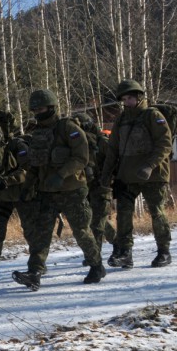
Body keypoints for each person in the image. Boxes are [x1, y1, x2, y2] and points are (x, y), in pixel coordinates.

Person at [12, 89, 106, 291]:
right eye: (35, 109)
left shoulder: (68, 128)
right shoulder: (37, 134)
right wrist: (27, 187)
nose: (38, 112)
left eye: (41, 108)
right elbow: (35, 166)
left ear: (52, 107)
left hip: (73, 190)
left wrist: (61, 174)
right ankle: (34, 272)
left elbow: (81, 157)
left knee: (81, 231)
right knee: (41, 234)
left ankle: (97, 265)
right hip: (47, 192)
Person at [101, 79, 173, 268]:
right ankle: (125, 253)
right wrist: (106, 175)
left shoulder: (152, 115)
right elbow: (113, 150)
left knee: (157, 212)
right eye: (124, 99)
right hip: (127, 175)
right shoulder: (121, 119)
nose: (127, 102)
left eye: (130, 98)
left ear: (139, 97)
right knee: (123, 214)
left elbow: (165, 144)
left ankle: (164, 251)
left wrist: (149, 165)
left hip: (154, 175)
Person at [0, 111, 34, 280]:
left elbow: (28, 169)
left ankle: (36, 267)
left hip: (21, 195)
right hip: (1, 198)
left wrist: (8, 181)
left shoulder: (18, 145)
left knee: (30, 231)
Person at [71, 112, 116, 264]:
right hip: (88, 186)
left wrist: (109, 179)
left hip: (102, 185)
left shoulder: (101, 141)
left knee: (97, 223)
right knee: (96, 220)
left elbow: (113, 161)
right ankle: (118, 243)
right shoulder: (80, 143)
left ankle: (95, 258)